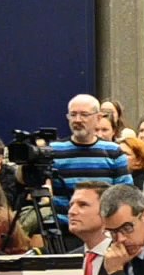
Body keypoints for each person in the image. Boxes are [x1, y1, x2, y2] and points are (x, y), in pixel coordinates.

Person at [50, 95, 132, 232]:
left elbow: (125, 194)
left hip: (104, 230)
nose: (77, 120)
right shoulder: (54, 151)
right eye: (73, 115)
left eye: (84, 115)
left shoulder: (113, 151)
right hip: (64, 229)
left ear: (98, 118)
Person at [65, 181, 116, 275]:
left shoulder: (126, 256)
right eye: (71, 205)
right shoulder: (69, 260)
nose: (71, 211)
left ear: (106, 210)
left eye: (82, 205)